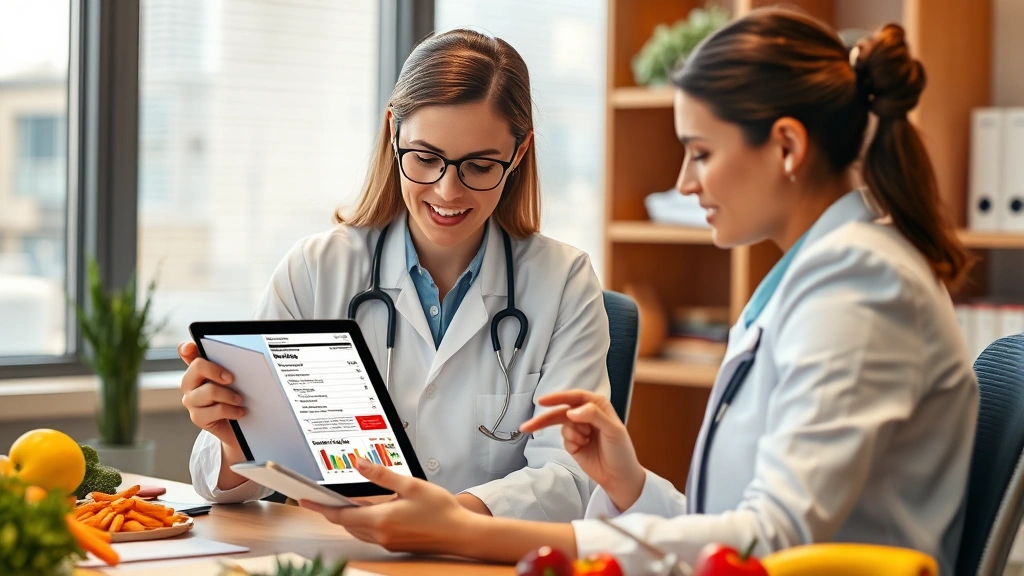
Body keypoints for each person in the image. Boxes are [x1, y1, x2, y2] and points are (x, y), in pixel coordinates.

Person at [296, 9, 979, 576]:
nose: (684, 182)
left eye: (701, 152)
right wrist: (630, 484)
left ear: (788, 149)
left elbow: (770, 546)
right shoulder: (818, 280)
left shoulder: (861, 291)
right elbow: (743, 535)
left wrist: (471, 531)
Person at [177, 28, 611, 522]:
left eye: (480, 165)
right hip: (343, 555)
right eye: (425, 158)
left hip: (485, 562)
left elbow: (574, 477)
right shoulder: (317, 270)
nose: (448, 191)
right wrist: (235, 442)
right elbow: (224, 485)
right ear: (393, 132)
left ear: (519, 152)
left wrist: (447, 517)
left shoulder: (564, 282)